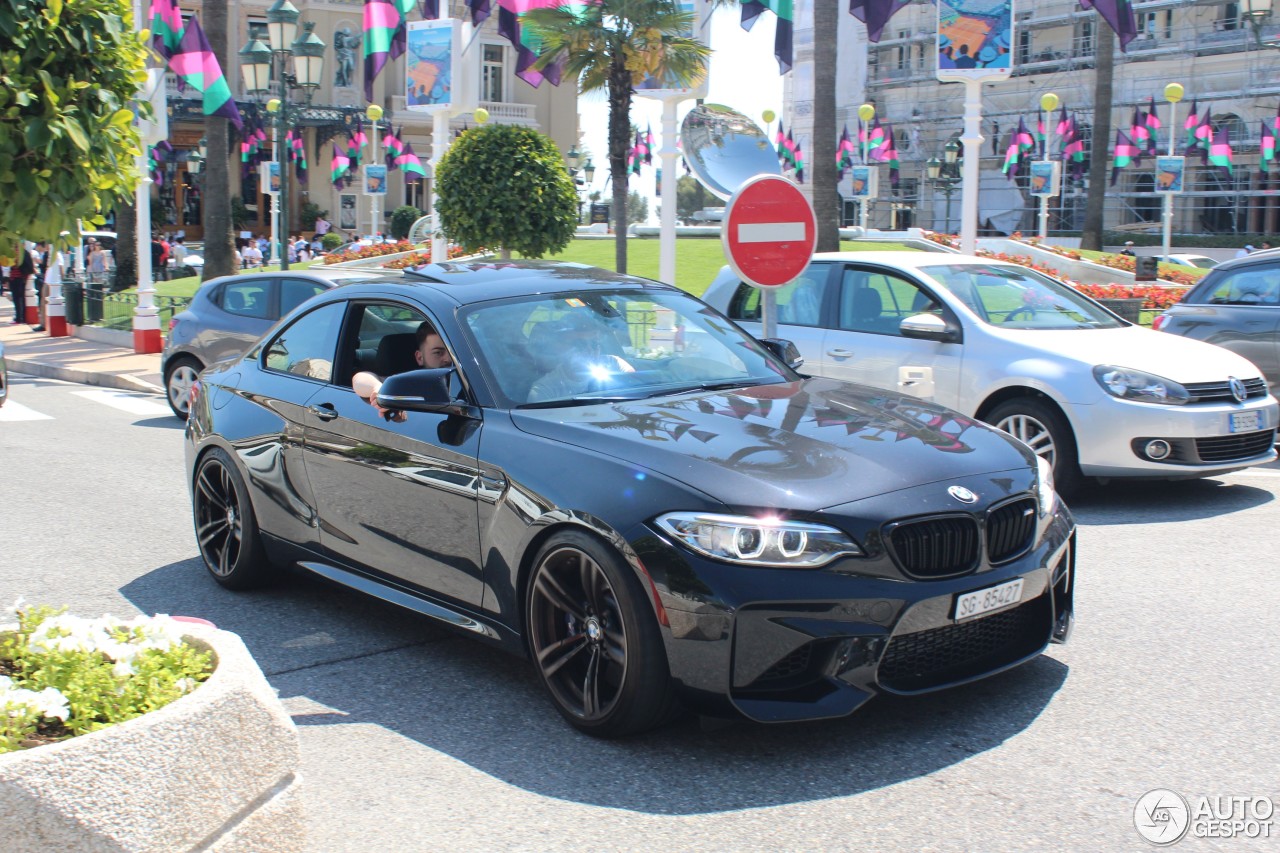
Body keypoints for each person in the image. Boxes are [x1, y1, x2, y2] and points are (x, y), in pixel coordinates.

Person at [353, 322, 454, 421]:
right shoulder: (412, 382)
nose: (448, 359)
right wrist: (380, 390)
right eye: (438, 352)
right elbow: (359, 378)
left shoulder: (468, 376)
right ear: (419, 357)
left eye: (453, 351)